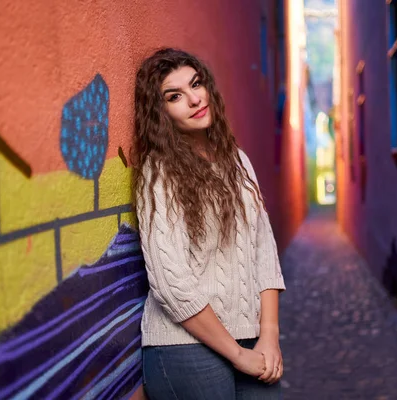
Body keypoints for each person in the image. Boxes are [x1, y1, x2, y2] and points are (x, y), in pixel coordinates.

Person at [133, 48, 286, 400]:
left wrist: (269, 335)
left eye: (196, 84)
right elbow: (173, 286)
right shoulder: (159, 175)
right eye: (175, 96)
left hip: (251, 336)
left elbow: (264, 249)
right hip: (184, 345)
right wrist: (236, 355)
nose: (193, 99)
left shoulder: (238, 161)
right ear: (161, 113)